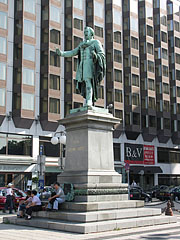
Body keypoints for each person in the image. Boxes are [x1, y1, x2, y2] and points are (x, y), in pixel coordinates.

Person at [56, 26, 106, 106]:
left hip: (90, 64)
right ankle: (88, 99)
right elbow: (73, 52)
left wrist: (95, 56)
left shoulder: (96, 42)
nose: (85, 33)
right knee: (86, 83)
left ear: (91, 33)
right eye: (84, 32)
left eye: (87, 32)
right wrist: (61, 53)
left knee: (88, 82)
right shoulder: (81, 44)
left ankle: (89, 100)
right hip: (82, 65)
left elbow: (101, 54)